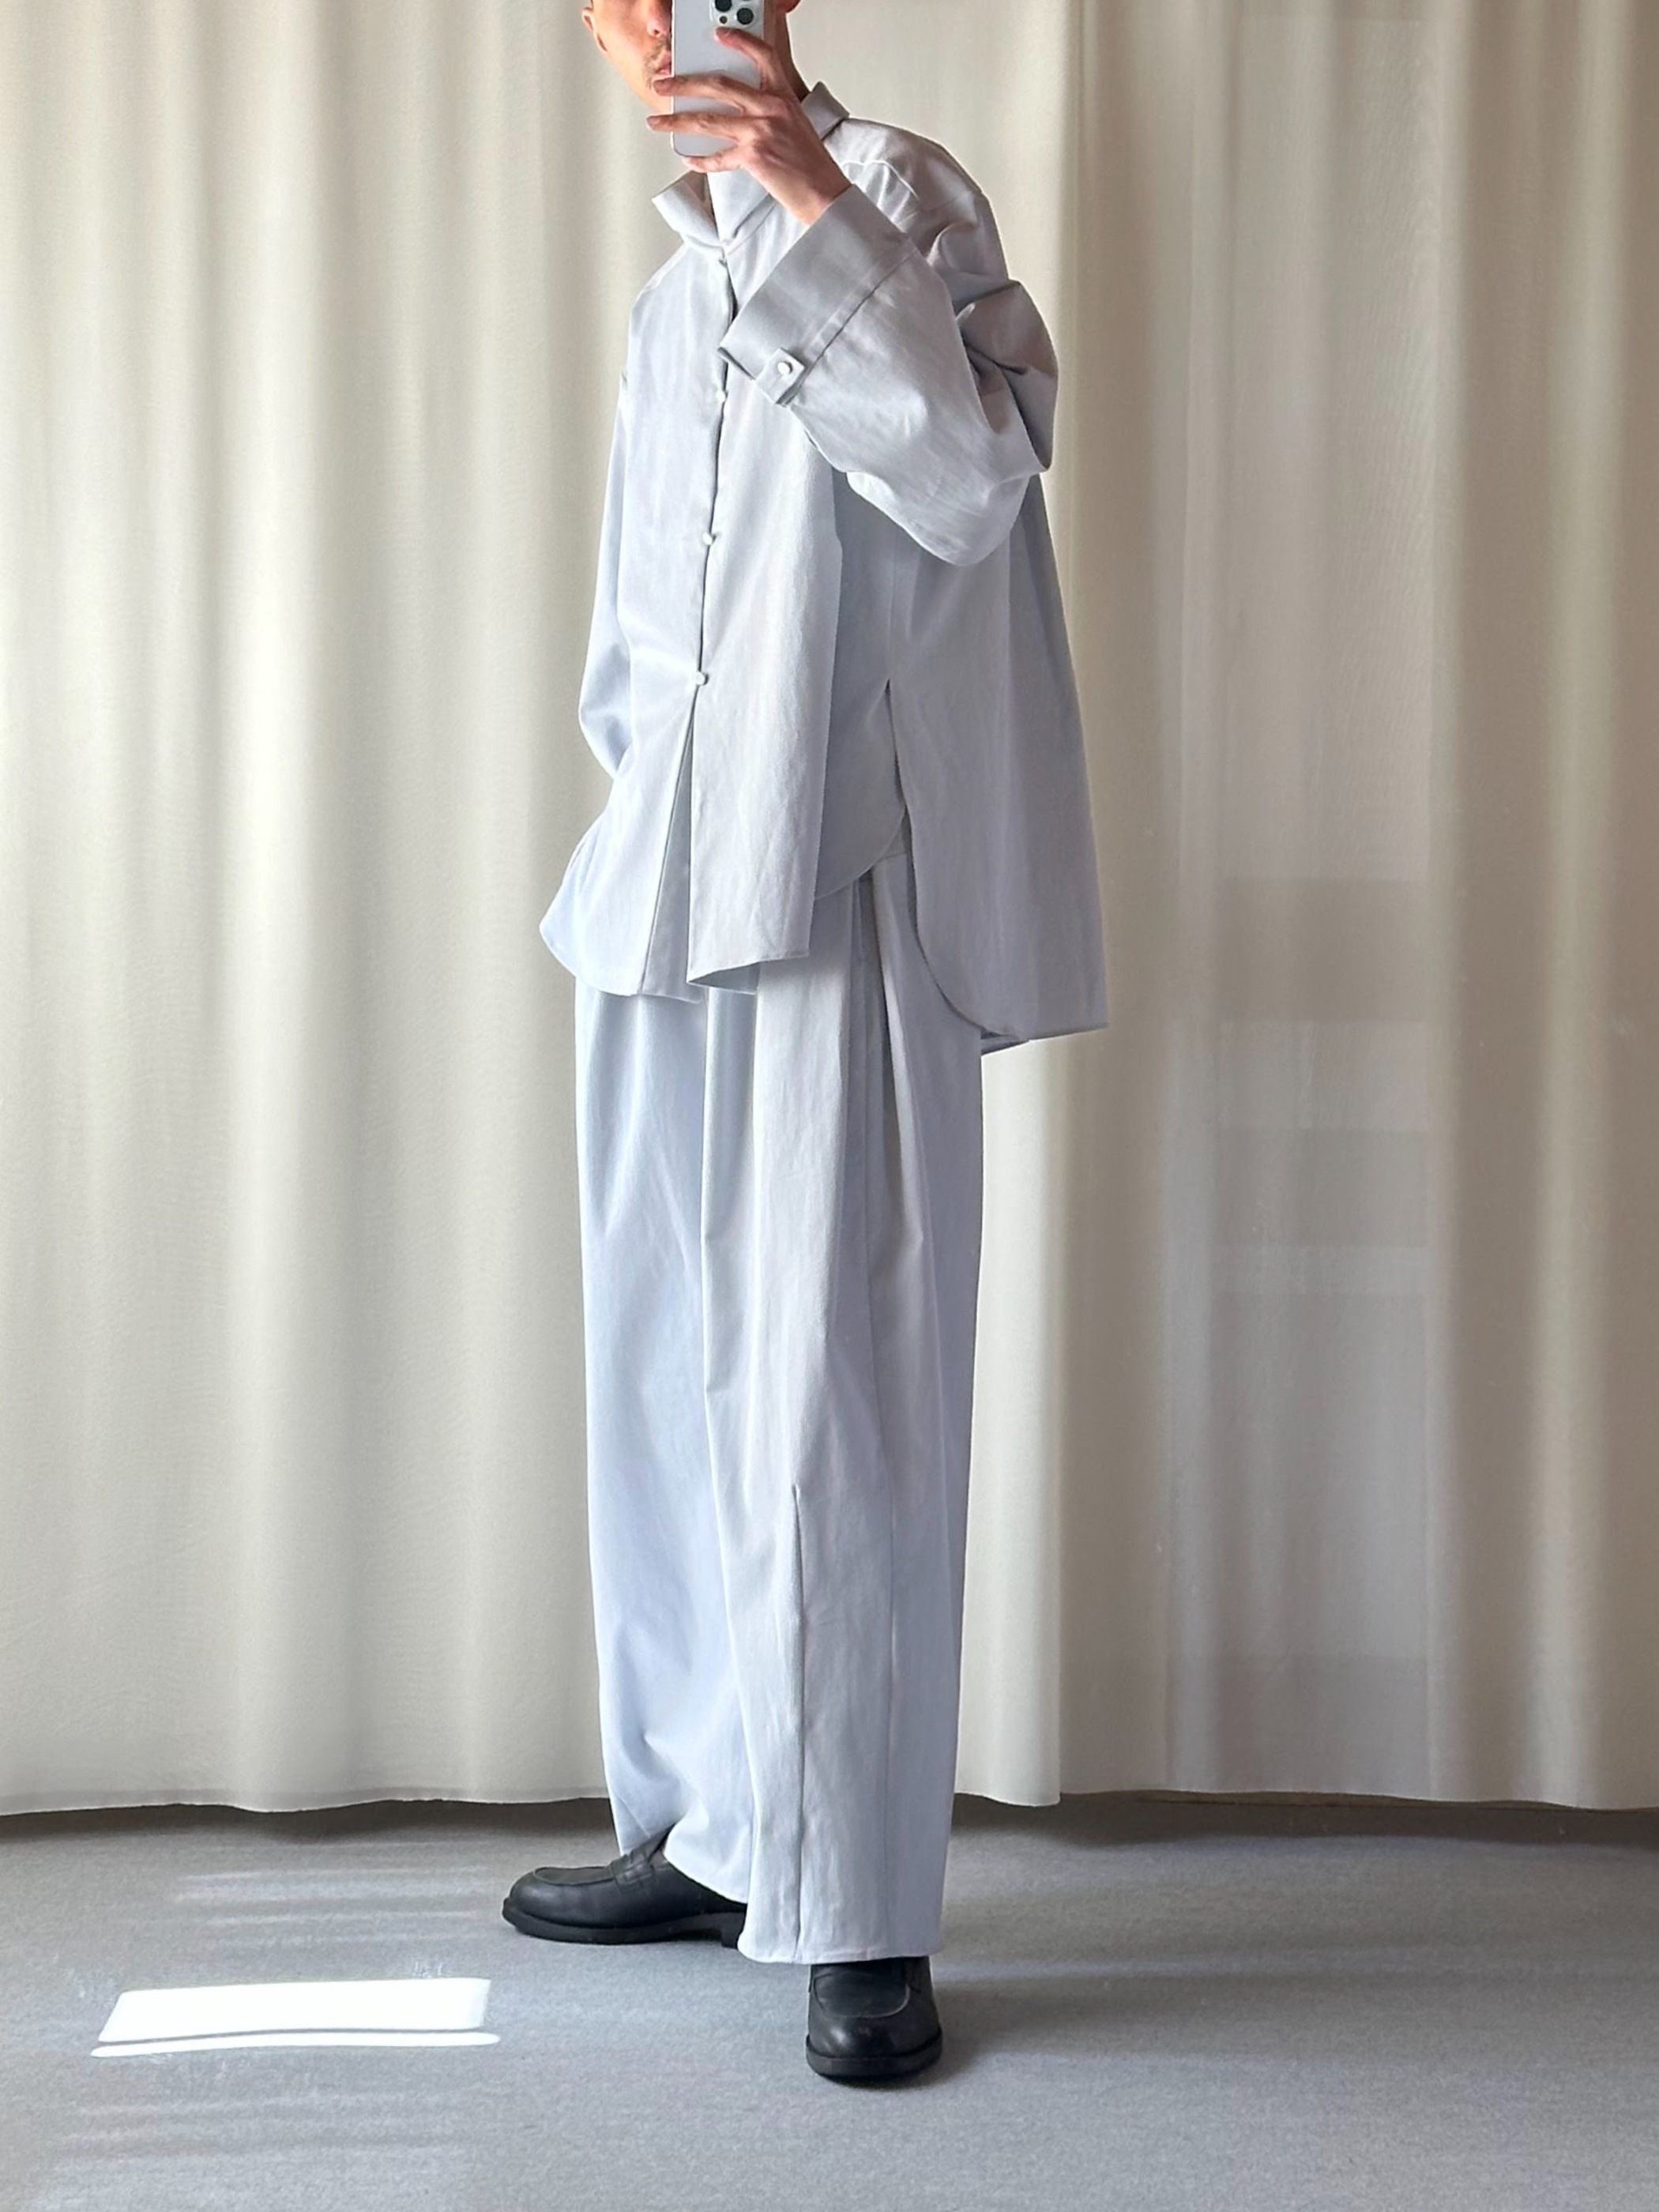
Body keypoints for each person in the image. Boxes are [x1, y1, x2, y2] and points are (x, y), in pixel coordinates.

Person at [502, 0, 1108, 2083]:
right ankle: (708, 1827)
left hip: (848, 880)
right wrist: (630, 828)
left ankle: (858, 1907)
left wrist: (798, 180)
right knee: (666, 1376)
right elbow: (646, 628)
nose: (650, 31)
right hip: (670, 884)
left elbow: (966, 479)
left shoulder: (900, 194)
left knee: (841, 1399)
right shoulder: (669, 297)